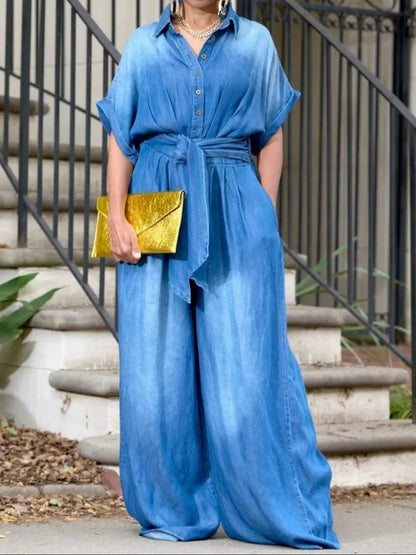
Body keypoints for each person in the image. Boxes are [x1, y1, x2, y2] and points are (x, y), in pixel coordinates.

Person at [96, 0, 340, 548]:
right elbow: (120, 135)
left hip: (235, 208)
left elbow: (271, 135)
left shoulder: (254, 44)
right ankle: (173, 510)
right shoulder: (143, 46)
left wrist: (264, 215)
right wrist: (115, 216)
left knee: (248, 367)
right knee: (156, 372)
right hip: (157, 201)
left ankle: (276, 509)